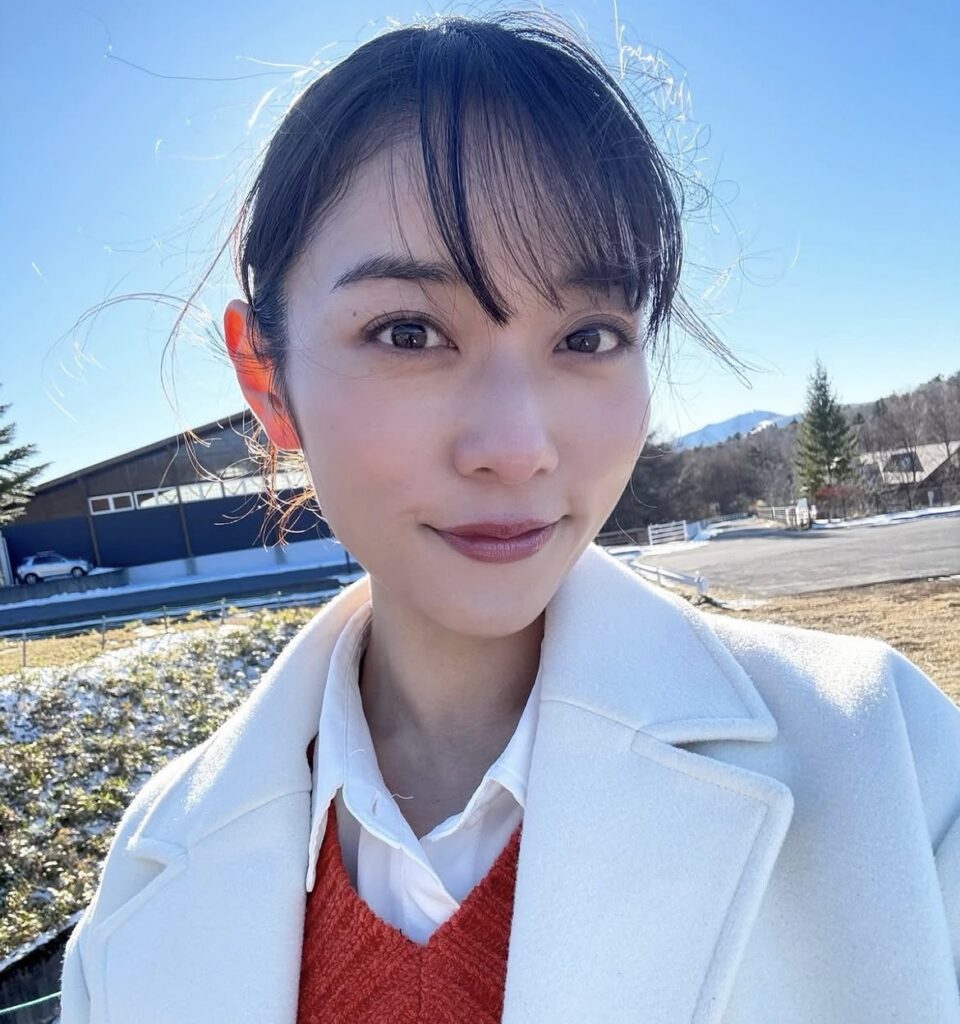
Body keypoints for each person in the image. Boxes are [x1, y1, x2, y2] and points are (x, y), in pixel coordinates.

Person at [59, 11, 959, 1024]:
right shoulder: (148, 880)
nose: (516, 444)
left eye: (588, 336)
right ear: (266, 379)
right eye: (409, 331)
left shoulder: (892, 767)